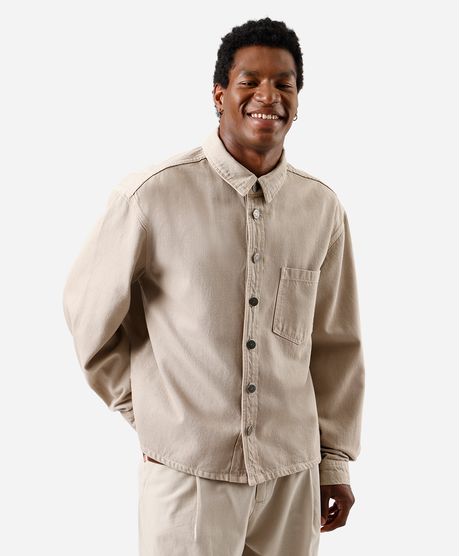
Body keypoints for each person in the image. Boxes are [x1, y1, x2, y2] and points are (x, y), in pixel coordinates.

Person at [62, 17, 365, 556]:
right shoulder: (151, 196)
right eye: (250, 81)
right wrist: (150, 414)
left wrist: (333, 462)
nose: (267, 96)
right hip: (189, 476)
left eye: (284, 83)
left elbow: (335, 346)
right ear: (220, 94)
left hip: (291, 478)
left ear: (298, 100)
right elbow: (89, 318)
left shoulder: (321, 208)